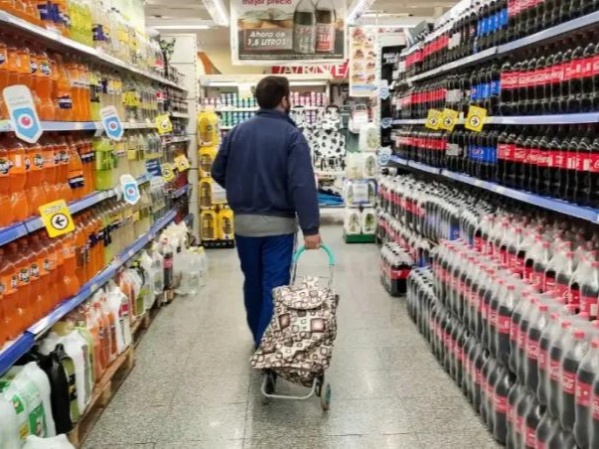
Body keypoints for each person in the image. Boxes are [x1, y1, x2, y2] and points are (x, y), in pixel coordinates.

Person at [212, 75, 321, 348]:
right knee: (274, 285)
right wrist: (310, 228)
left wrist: (240, 188)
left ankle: (258, 337)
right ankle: (267, 346)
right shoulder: (292, 136)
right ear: (284, 100)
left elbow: (217, 171)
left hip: (244, 225)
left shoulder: (236, 132)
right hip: (278, 227)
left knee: (253, 281)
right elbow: (301, 184)